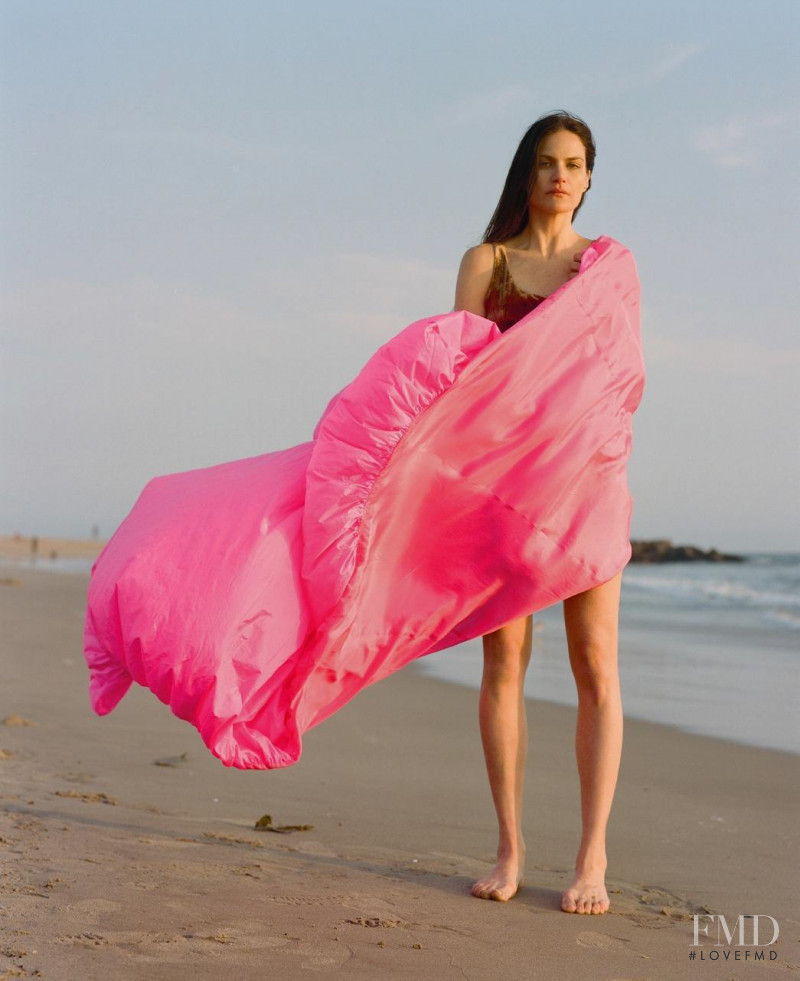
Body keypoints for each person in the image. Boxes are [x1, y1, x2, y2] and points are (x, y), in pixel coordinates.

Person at [453, 111, 624, 915]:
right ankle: (510, 846)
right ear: (527, 174)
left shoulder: (608, 267)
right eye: (548, 162)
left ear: (590, 178)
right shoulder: (486, 262)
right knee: (504, 664)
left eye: (575, 163)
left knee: (594, 662)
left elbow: (618, 383)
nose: (561, 174)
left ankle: (591, 858)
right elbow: (458, 377)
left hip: (587, 482)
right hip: (505, 488)